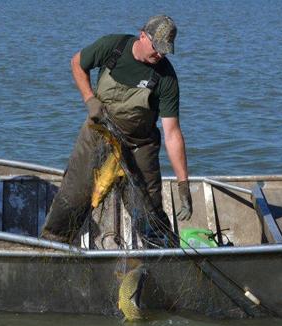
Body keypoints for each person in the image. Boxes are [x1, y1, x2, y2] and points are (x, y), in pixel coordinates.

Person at [40, 15, 192, 247]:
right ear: (143, 35)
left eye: (165, 51)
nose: (160, 55)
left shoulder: (166, 77)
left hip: (139, 146)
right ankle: (53, 247)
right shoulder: (113, 47)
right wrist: (90, 99)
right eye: (156, 48)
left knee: (148, 210)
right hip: (98, 136)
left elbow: (172, 133)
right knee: (72, 198)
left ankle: (164, 256)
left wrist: (183, 184)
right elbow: (77, 63)